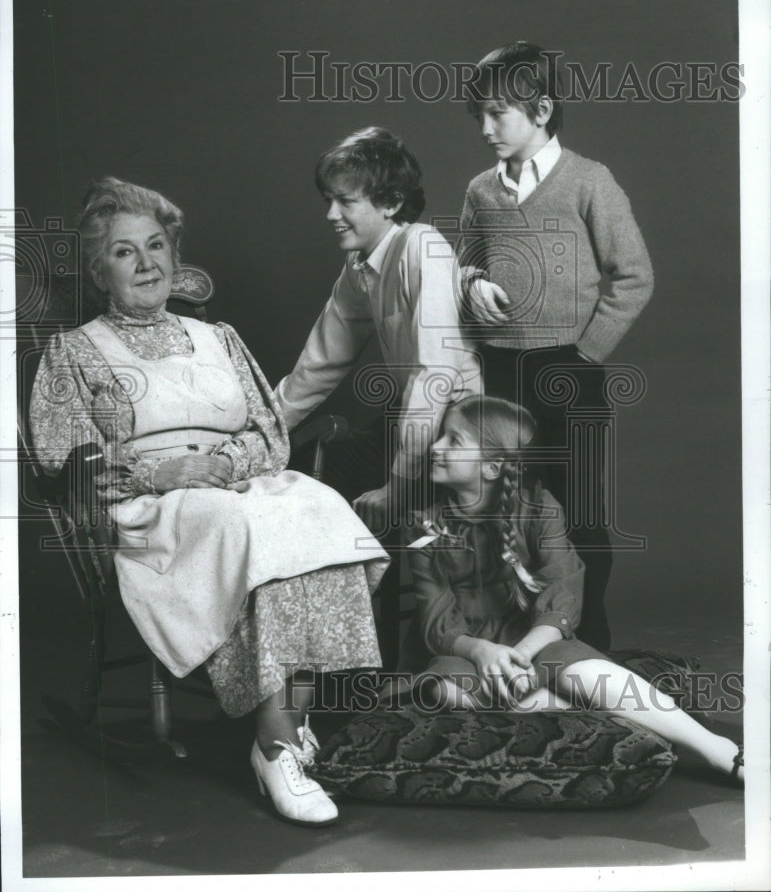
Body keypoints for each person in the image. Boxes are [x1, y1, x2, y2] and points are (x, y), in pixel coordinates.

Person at [29, 177, 391, 828]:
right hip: (155, 512)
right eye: (124, 252)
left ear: (174, 255)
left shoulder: (218, 337)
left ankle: (291, 716)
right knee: (244, 525)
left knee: (317, 507)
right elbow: (67, 464)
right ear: (98, 270)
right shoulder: (76, 351)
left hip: (232, 483)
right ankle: (276, 744)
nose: (146, 263)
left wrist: (220, 463)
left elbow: (269, 434)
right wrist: (160, 472)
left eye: (157, 246)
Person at [398, 395, 742, 783]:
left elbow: (564, 588)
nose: (435, 447)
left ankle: (717, 749)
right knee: (445, 690)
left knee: (586, 670)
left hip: (535, 642)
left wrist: (521, 655)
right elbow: (435, 613)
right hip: (463, 650)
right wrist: (481, 651)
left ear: (492, 467)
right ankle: (602, 717)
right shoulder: (422, 524)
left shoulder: (540, 508)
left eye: (453, 440)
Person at [458, 42, 655, 650]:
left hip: (569, 368)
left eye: (499, 114)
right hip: (499, 370)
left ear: (541, 109)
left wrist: (585, 356)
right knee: (505, 506)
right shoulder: (479, 192)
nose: (487, 129)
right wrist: (472, 285)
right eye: (480, 117)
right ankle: (523, 635)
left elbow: (634, 276)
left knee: (579, 510)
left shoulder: (589, 182)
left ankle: (588, 633)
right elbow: (463, 264)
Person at [274, 126, 481, 535]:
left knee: (355, 495)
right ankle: (343, 595)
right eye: (328, 201)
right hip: (414, 416)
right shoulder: (358, 265)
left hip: (462, 430)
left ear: (390, 203)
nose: (331, 214)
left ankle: (367, 587)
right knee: (302, 465)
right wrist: (261, 430)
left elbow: (433, 378)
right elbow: (319, 364)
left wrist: (397, 488)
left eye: (345, 201)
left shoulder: (423, 247)